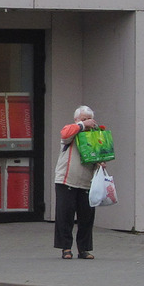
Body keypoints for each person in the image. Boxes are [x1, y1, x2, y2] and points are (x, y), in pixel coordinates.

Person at [54, 105, 105, 259]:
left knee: (86, 217)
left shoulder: (94, 136)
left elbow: (98, 155)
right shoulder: (71, 131)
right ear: (76, 120)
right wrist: (82, 125)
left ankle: (84, 249)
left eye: (89, 119)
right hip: (66, 180)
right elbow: (64, 134)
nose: (88, 122)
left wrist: (100, 163)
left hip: (86, 182)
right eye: (83, 119)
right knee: (65, 215)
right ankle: (65, 248)